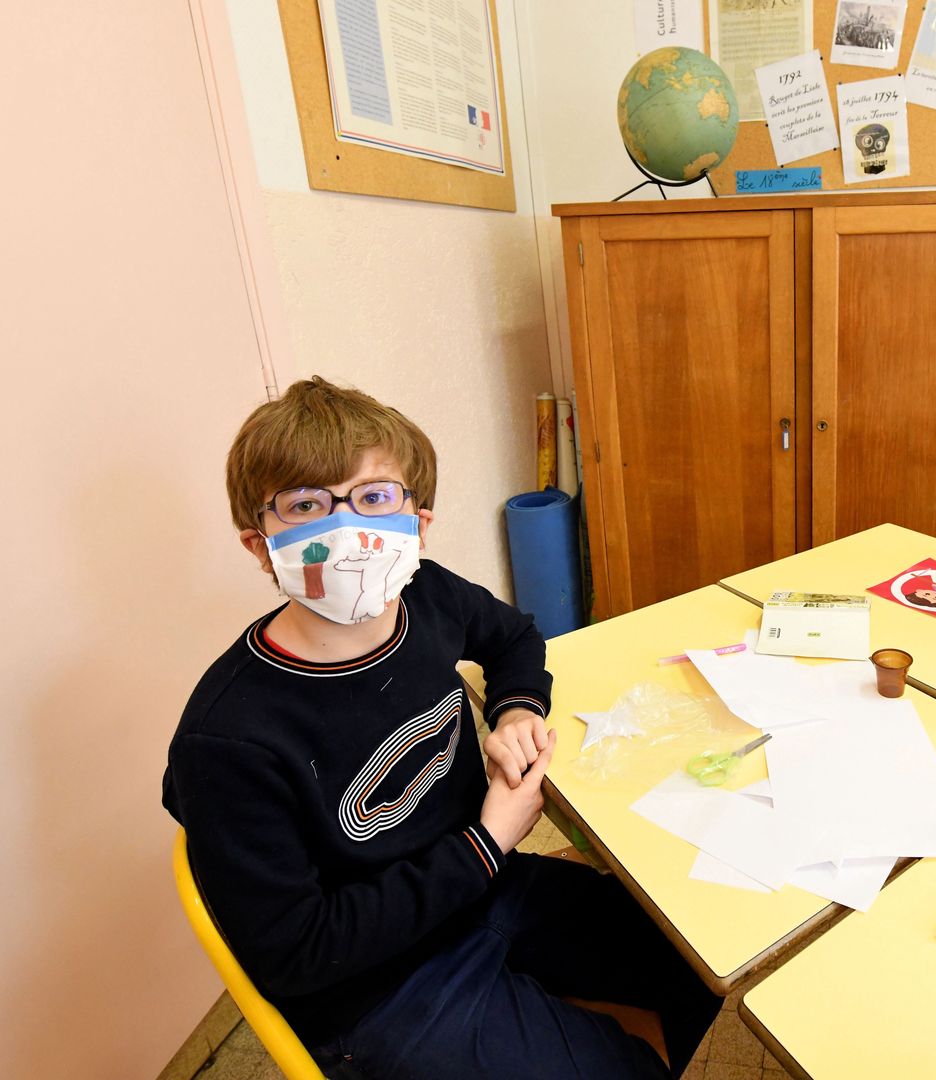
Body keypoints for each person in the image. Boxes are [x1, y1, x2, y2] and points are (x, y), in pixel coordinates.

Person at [163, 377, 722, 1078]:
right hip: (381, 988)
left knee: (698, 962)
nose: (347, 528)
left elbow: (513, 636)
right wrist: (487, 842)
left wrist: (519, 706)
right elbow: (296, 952)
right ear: (259, 543)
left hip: (485, 891)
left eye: (373, 497)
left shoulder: (426, 595)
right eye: (307, 504)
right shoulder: (227, 738)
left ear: (418, 522)